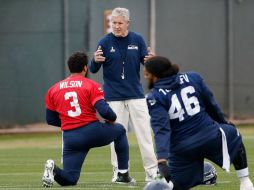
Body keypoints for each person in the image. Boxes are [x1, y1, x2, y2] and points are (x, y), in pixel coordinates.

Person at [144, 56, 254, 190]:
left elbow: (162, 129)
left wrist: (162, 159)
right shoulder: (193, 77)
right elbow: (211, 104)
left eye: (147, 73)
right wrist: (224, 123)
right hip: (210, 136)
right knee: (232, 133)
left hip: (182, 149)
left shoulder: (154, 97)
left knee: (172, 185)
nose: (145, 76)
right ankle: (246, 183)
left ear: (155, 75)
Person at [42, 51, 135, 187]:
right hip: (91, 131)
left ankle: (53, 169)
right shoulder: (91, 85)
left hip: (71, 137)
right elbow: (104, 111)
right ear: (85, 68)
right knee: (120, 130)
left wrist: (69, 122)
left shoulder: (53, 89)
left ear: (69, 68)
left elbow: (50, 119)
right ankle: (122, 174)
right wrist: (112, 118)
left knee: (70, 179)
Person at [89, 7, 158, 182]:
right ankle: (119, 171)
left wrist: (151, 61)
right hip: (113, 98)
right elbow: (93, 69)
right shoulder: (104, 42)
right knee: (116, 138)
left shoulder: (138, 39)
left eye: (120, 23)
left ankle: (151, 172)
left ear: (128, 23)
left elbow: (147, 64)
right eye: (114, 23)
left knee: (145, 136)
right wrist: (94, 61)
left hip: (136, 95)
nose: (117, 26)